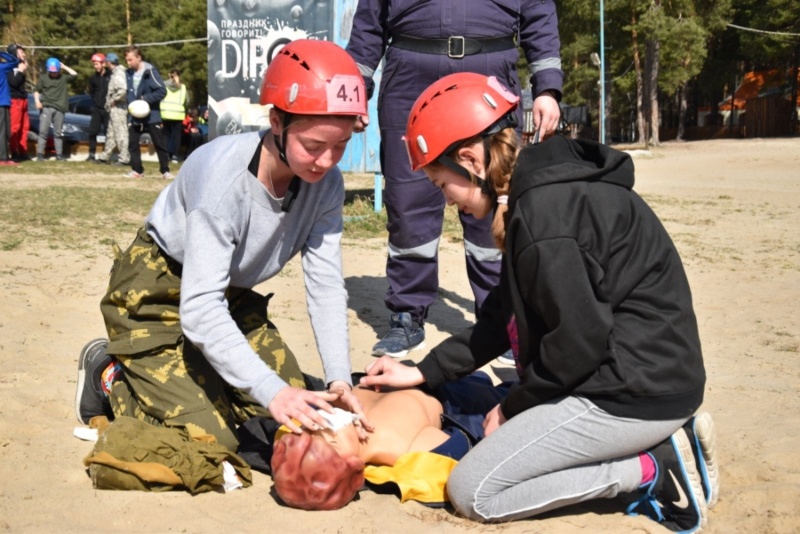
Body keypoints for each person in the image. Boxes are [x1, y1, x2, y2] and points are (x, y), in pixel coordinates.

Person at [359, 73, 720, 532]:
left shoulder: (542, 218)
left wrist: (513, 408)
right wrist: (422, 371)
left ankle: (650, 468)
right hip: (643, 375)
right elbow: (499, 320)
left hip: (636, 394)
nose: (447, 201)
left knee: (474, 491)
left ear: (469, 159)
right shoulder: (537, 194)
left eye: (441, 183)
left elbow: (578, 341)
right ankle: (654, 450)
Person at [74, 39, 374, 453]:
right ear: (277, 122)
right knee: (208, 439)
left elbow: (324, 284)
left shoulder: (327, 186)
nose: (326, 161)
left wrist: (339, 377)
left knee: (293, 414)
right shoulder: (222, 181)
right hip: (157, 293)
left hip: (225, 296)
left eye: (339, 146)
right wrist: (269, 388)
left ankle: (198, 374)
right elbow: (198, 310)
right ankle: (108, 375)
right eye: (314, 145)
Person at [346, 0, 564, 359]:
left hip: (489, 72)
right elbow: (369, 21)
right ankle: (406, 314)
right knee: (407, 201)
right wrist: (355, 92)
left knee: (494, 197)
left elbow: (539, 14)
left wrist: (547, 88)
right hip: (410, 73)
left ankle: (500, 313)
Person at [271, 372, 508, 510]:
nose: (323, 426)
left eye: (311, 430)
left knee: (471, 377)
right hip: (447, 397)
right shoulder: (394, 448)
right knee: (496, 398)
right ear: (355, 467)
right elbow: (457, 445)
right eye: (333, 442)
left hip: (402, 374)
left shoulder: (325, 409)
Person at [123, 45, 171, 179]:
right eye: (127, 60)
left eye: (130, 60)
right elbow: (129, 92)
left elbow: (162, 91)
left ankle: (165, 171)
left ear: (139, 57)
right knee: (132, 143)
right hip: (134, 116)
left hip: (152, 115)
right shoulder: (128, 73)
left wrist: (145, 99)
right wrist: (131, 105)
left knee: (159, 143)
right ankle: (137, 170)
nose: (128, 63)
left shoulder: (150, 72)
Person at [33, 57, 77, 161]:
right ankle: (40, 154)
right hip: (46, 107)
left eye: (55, 72)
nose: (53, 74)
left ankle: (59, 155)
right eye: (51, 72)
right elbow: (36, 91)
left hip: (60, 108)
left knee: (58, 133)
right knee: (43, 131)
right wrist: (37, 101)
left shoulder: (63, 78)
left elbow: (75, 74)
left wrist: (64, 66)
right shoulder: (43, 78)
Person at [95, 52, 130, 166]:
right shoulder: (116, 73)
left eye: (106, 62)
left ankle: (124, 159)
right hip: (114, 108)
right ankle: (105, 157)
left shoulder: (118, 73)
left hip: (119, 108)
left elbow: (122, 90)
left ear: (109, 62)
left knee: (121, 134)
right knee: (111, 134)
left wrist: (114, 100)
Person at [86, 52, 111, 162]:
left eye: (97, 64)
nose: (95, 66)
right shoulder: (92, 78)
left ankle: (105, 156)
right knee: (92, 131)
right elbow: (92, 92)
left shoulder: (111, 76)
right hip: (96, 108)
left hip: (108, 109)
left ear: (103, 64)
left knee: (108, 132)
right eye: (94, 64)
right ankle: (91, 154)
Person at [6, 43, 29, 163]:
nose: (23, 54)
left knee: (24, 127)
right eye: (21, 52)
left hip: (23, 99)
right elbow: (13, 83)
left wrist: (22, 70)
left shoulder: (21, 66)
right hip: (14, 100)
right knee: (14, 127)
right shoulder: (9, 67)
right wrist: (20, 71)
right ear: (14, 53)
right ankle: (14, 152)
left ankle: (23, 151)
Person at [160, 69, 188, 163]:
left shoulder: (163, 84)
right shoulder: (182, 87)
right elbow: (187, 101)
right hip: (178, 114)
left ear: (169, 74)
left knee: (166, 135)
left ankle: (167, 155)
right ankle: (175, 156)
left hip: (165, 113)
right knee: (176, 137)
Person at [0, 46, 20, 166]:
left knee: (6, 131)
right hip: (1, 103)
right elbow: (15, 61)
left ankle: (5, 157)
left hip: (4, 102)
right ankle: (2, 158)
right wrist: (2, 53)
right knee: (3, 132)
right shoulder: (2, 68)